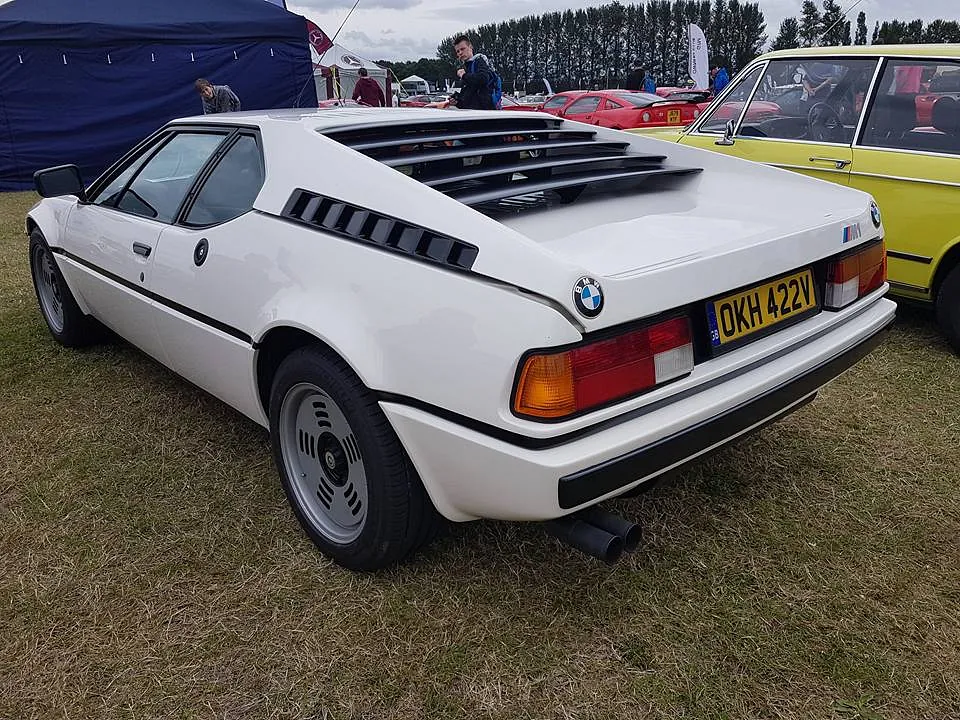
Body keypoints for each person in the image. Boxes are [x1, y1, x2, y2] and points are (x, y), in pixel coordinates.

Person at [452, 35, 497, 110]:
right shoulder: (467, 68)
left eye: (462, 49)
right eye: (458, 51)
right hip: (473, 112)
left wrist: (464, 75)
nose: (460, 53)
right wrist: (457, 102)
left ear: (470, 47)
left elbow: (483, 78)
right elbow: (469, 98)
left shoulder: (479, 61)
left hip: (482, 113)